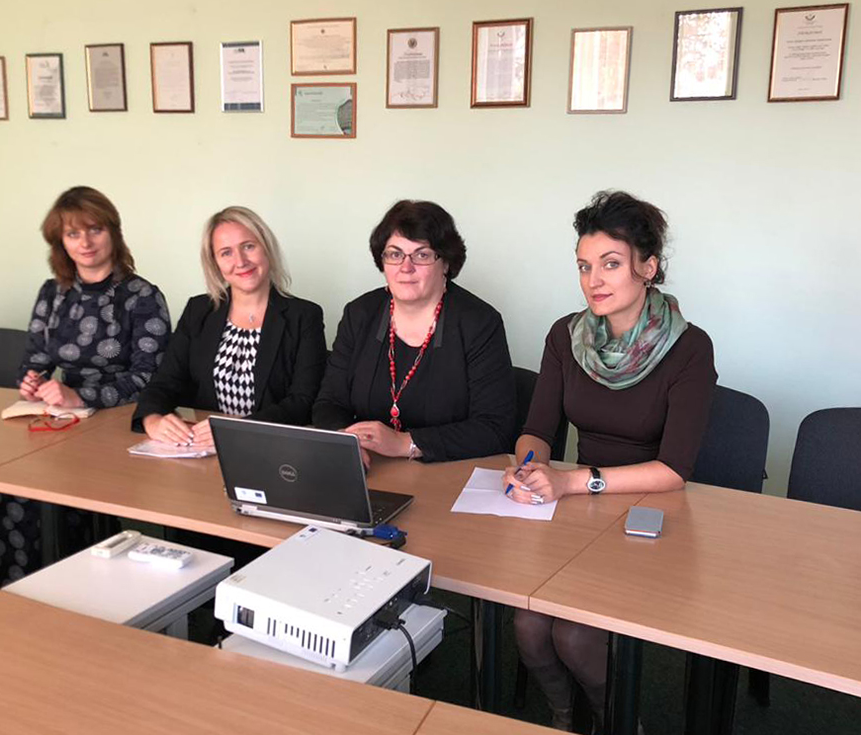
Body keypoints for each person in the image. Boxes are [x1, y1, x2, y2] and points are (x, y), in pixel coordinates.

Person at [505, 190, 717, 731]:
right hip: (580, 509)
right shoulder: (566, 336)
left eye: (611, 264)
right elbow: (537, 430)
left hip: (653, 514)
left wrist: (571, 482)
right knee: (529, 626)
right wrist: (528, 466)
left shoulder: (690, 348)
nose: (593, 280)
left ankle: (617, 719)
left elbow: (673, 471)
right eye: (584, 266)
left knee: (574, 635)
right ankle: (565, 713)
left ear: (648, 268)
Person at [0, 185, 170, 586]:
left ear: (113, 233)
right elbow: (34, 357)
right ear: (61, 242)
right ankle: (16, 589)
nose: (85, 243)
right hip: (63, 419)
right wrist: (31, 381)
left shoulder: (141, 296)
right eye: (73, 233)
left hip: (120, 419)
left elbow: (150, 379)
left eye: (94, 230)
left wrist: (80, 395)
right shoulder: (53, 293)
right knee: (2, 485)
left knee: (66, 495)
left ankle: (80, 584)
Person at [312, 199, 515, 463]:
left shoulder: (479, 323)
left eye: (422, 255)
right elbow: (329, 403)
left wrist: (406, 443)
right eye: (395, 254)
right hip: (372, 467)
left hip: (448, 473)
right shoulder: (359, 314)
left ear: (446, 263)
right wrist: (346, 441)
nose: (405, 268)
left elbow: (495, 428)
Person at [132, 206, 326, 447]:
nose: (241, 261)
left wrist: (236, 430)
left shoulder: (304, 316)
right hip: (203, 448)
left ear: (267, 248)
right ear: (215, 263)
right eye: (226, 253)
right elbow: (165, 381)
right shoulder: (198, 311)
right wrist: (152, 418)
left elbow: (303, 402)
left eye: (249, 246)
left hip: (270, 446)